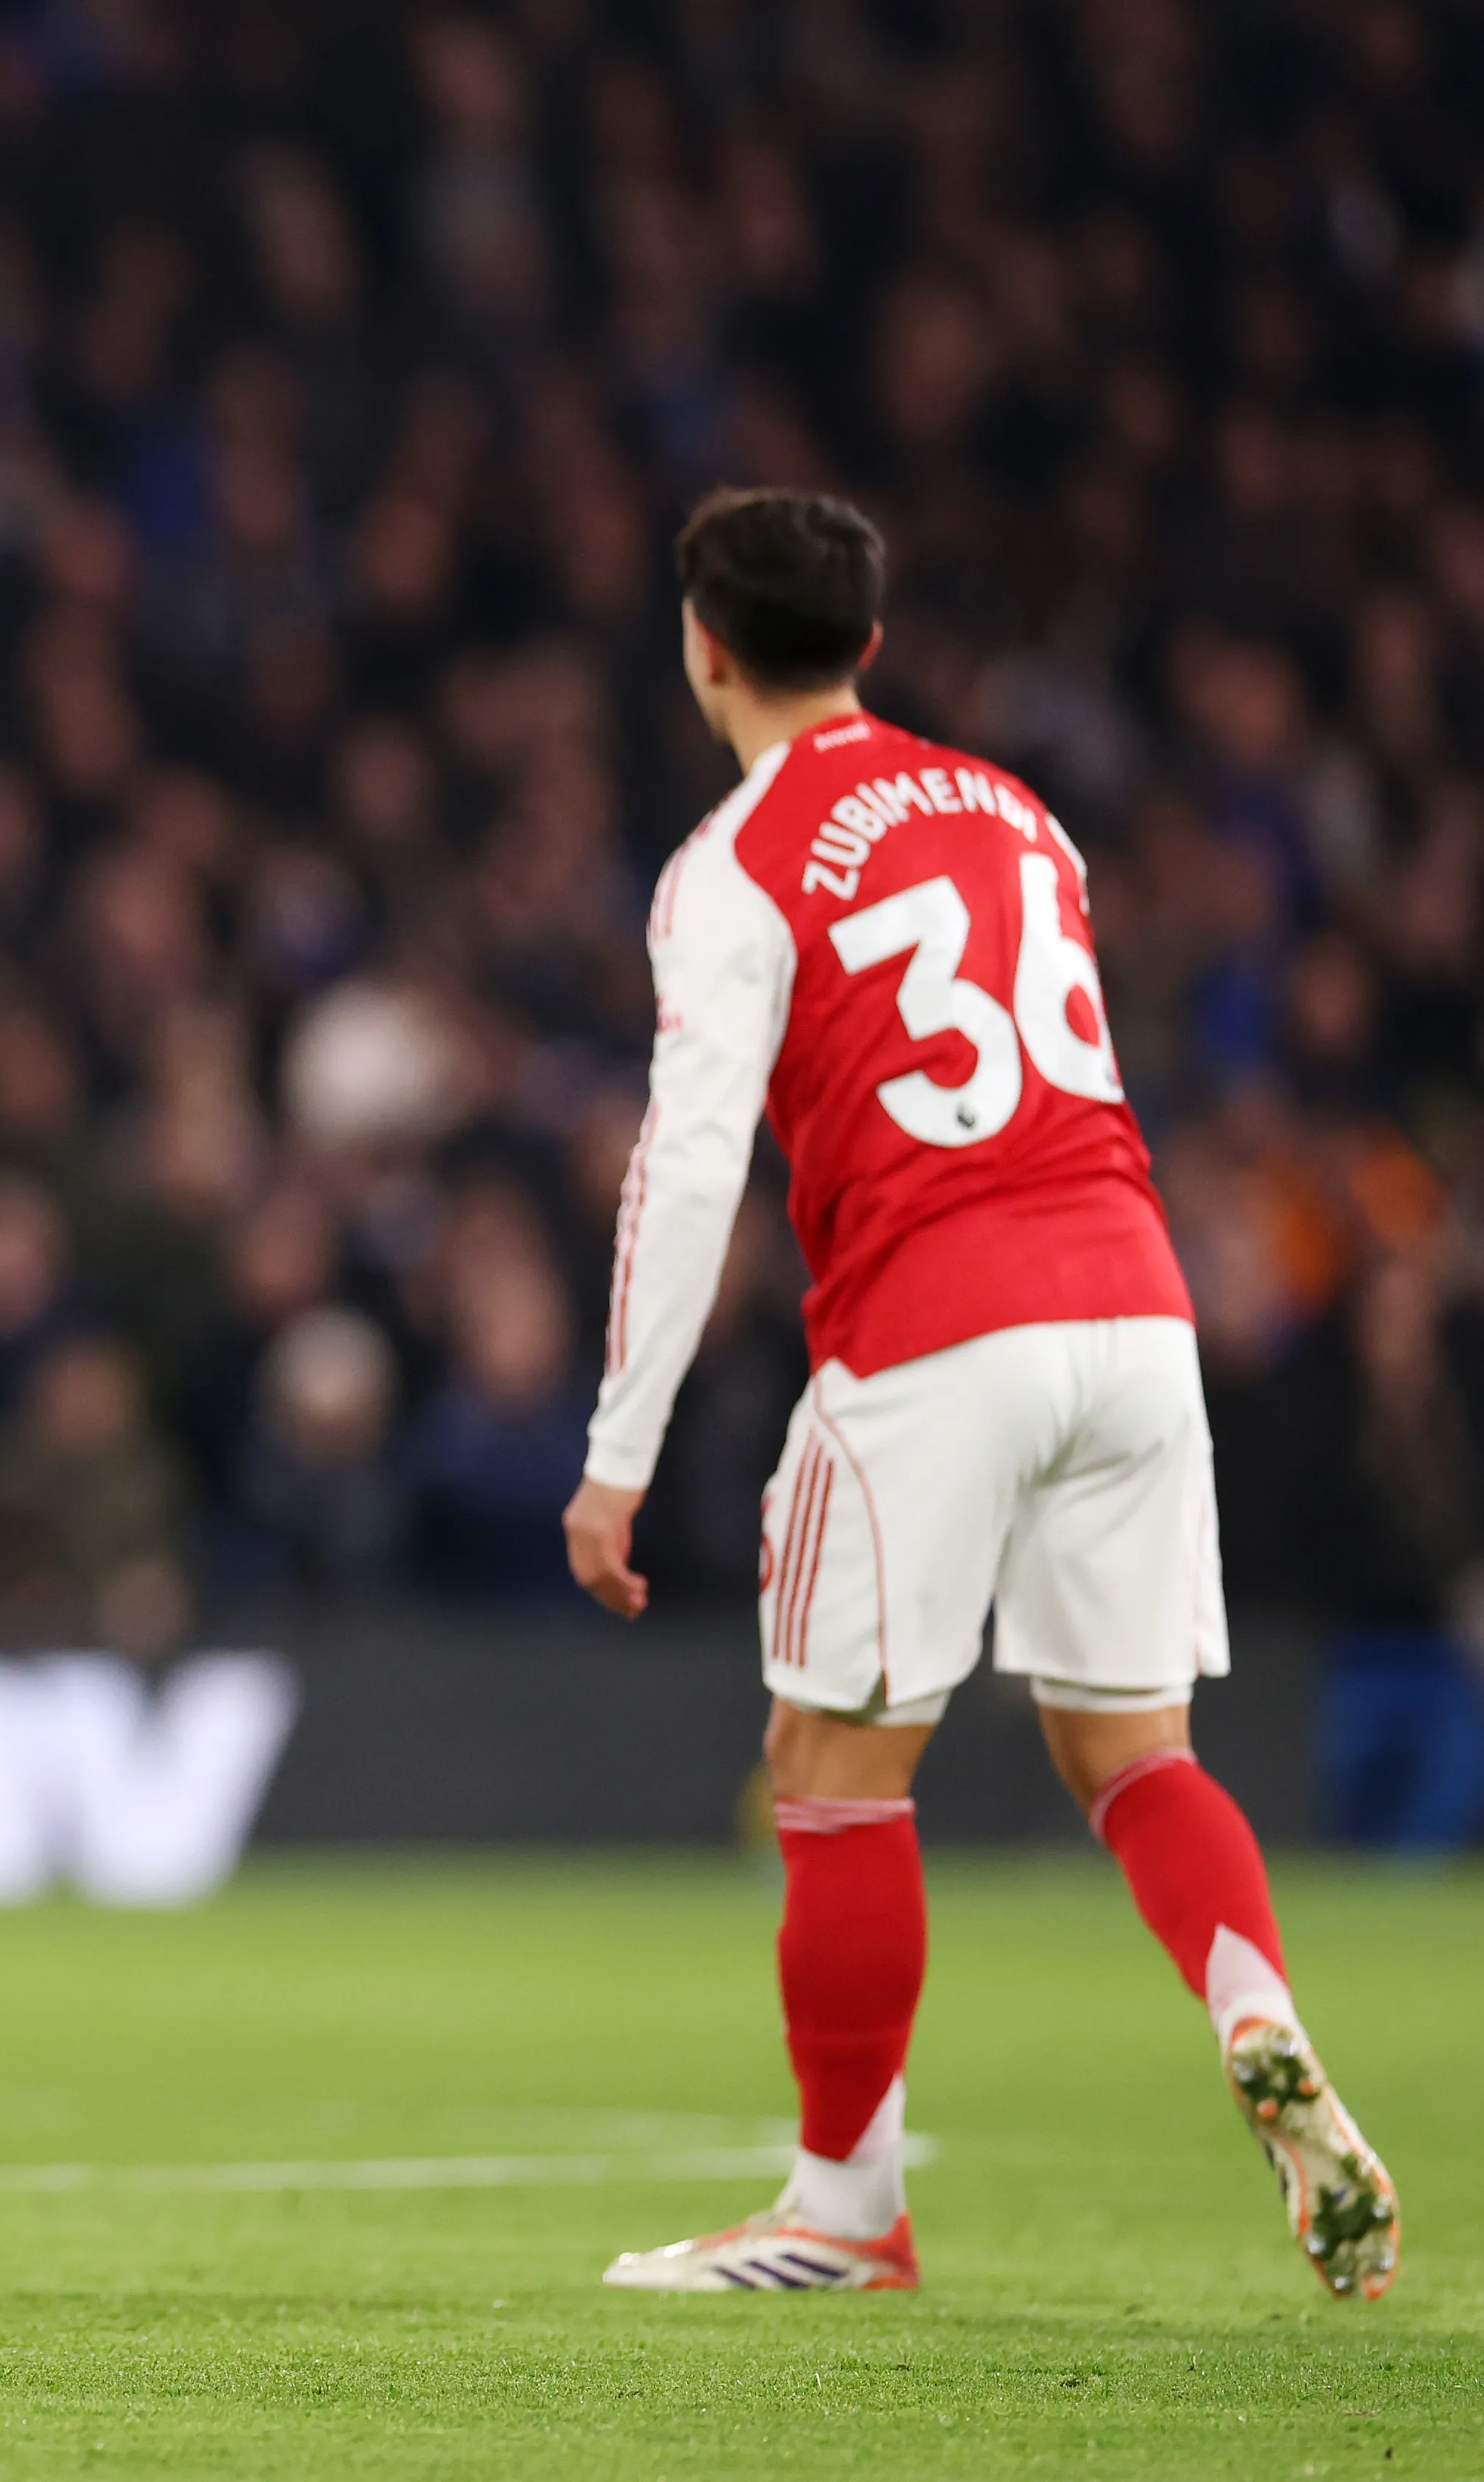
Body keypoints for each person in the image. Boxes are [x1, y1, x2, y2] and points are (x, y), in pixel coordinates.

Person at [564, 488, 1397, 2298]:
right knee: (1133, 1753)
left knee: (832, 1767)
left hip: (937, 1333)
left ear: (704, 648)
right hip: (1135, 1309)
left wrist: (617, 1457)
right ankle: (1256, 2011)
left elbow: (689, 1171)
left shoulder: (732, 865)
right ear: (869, 643)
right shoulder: (1018, 813)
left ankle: (845, 2212)